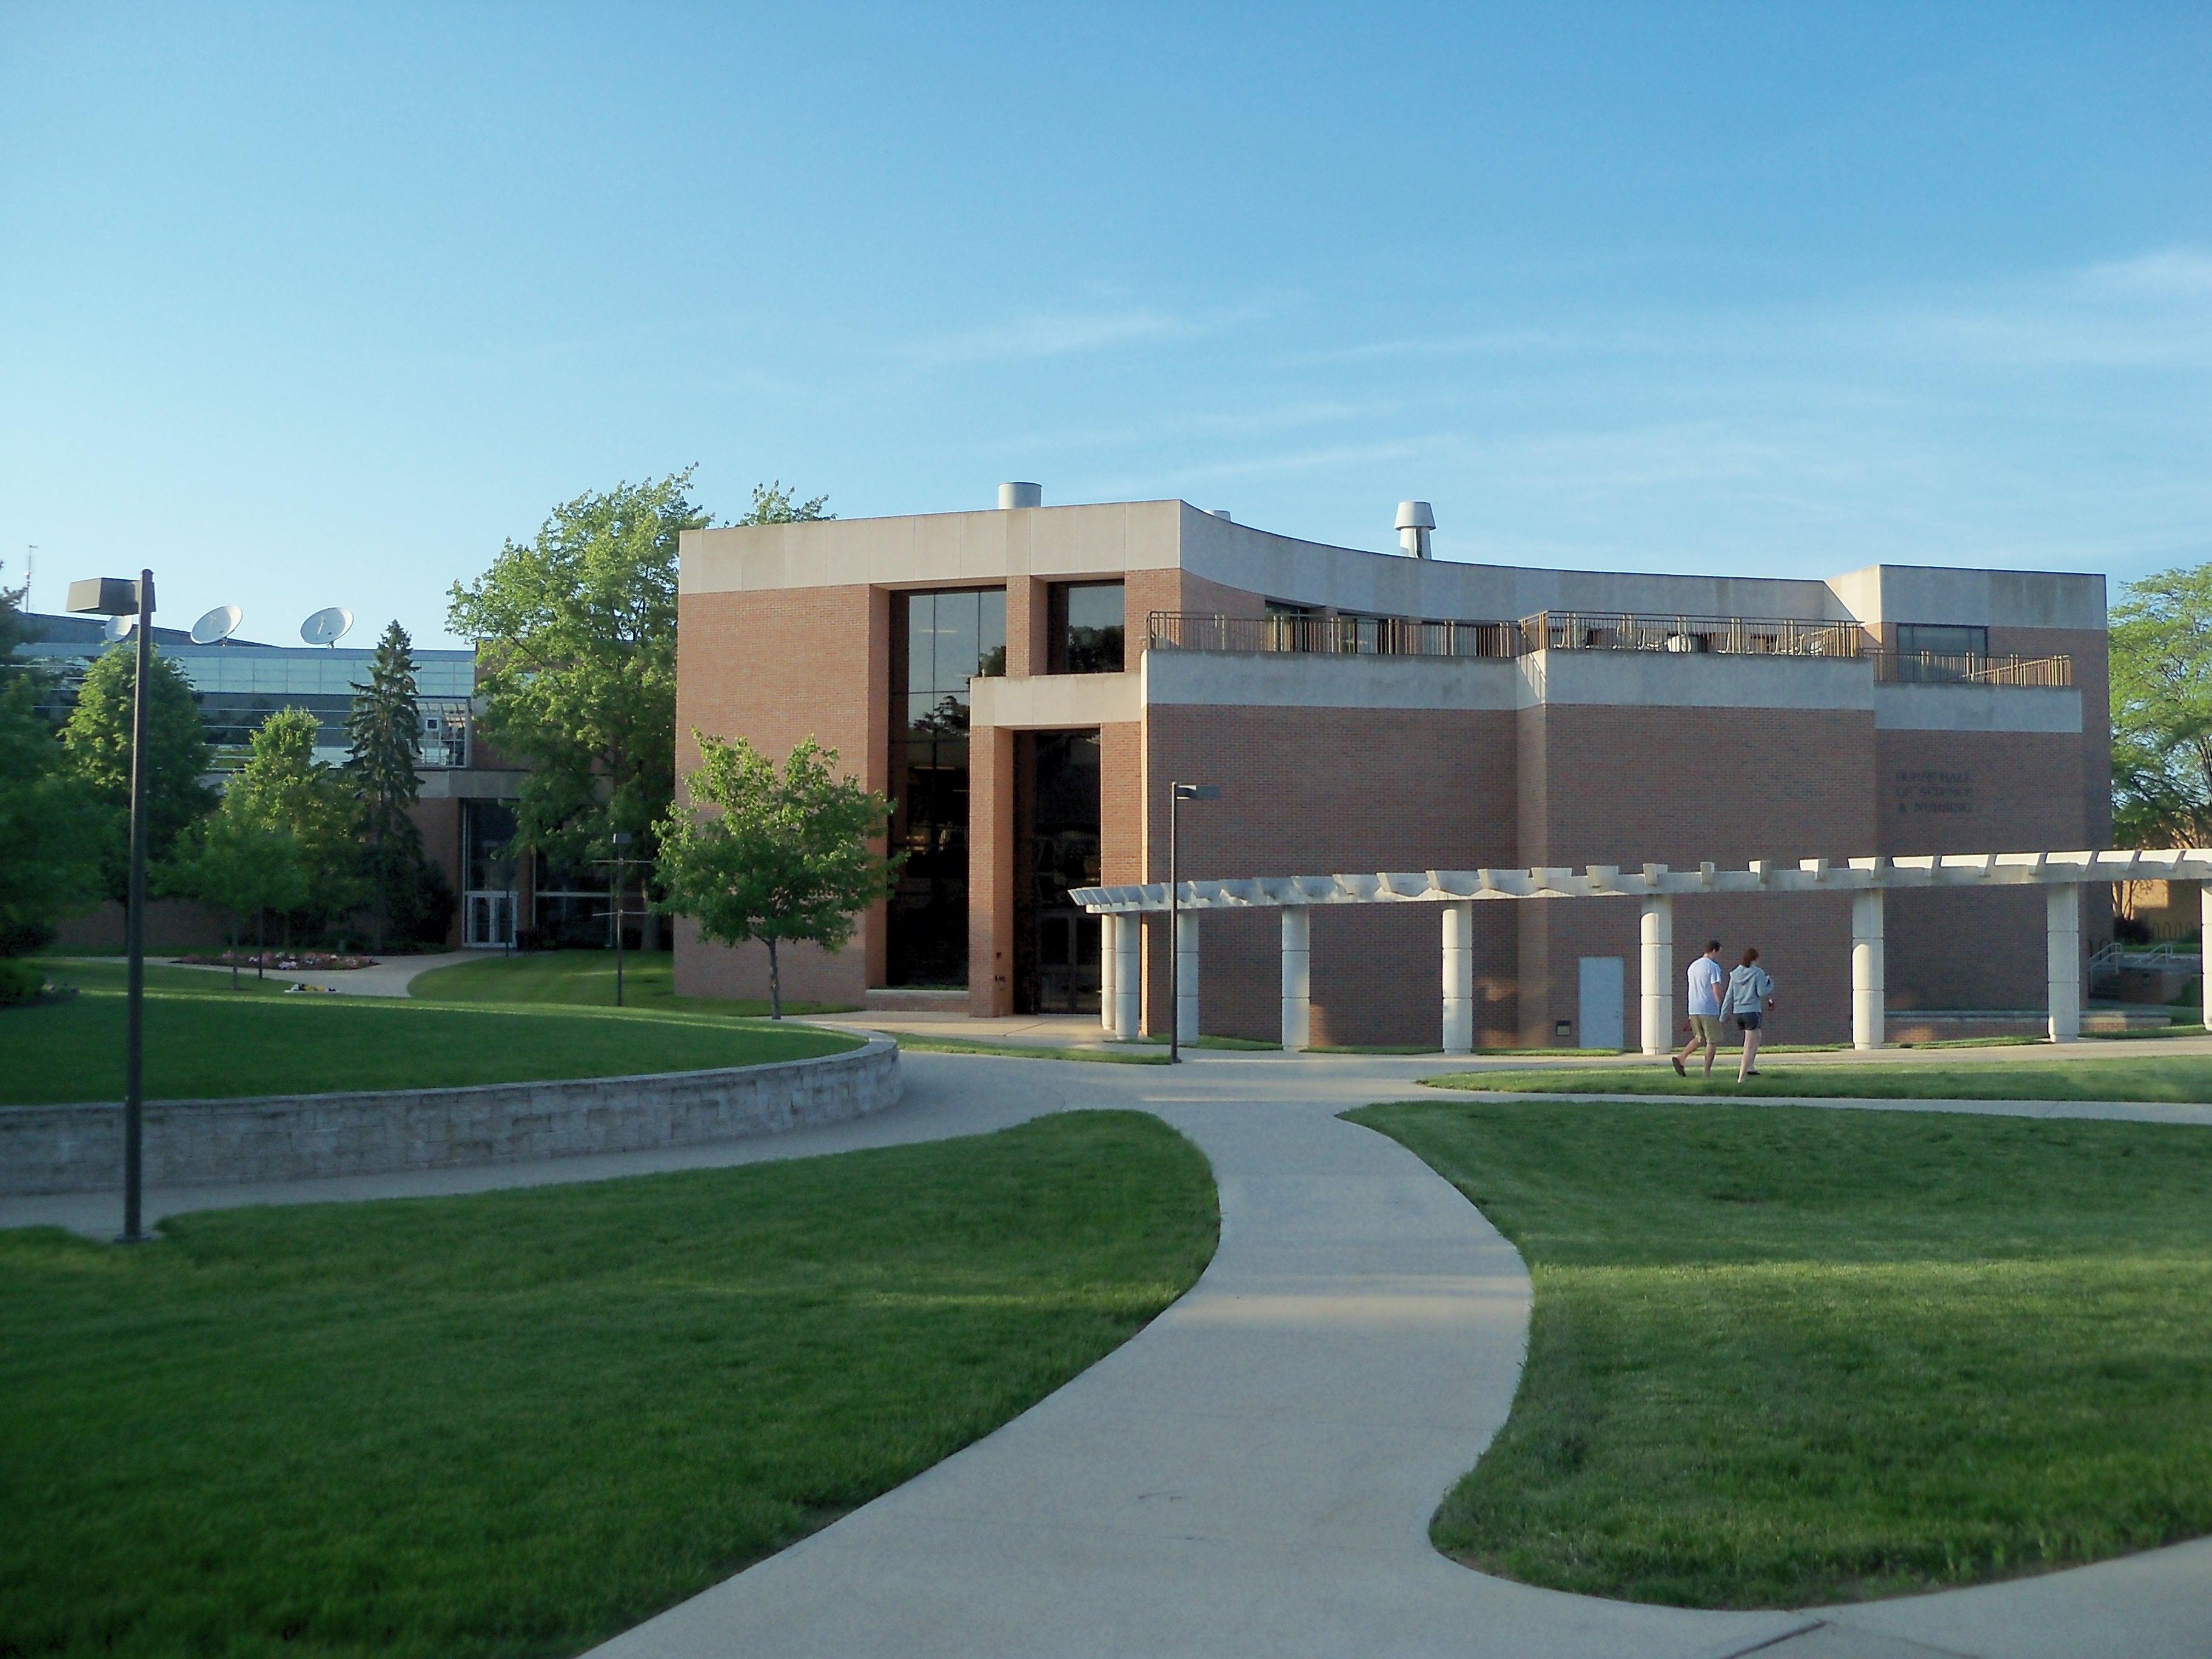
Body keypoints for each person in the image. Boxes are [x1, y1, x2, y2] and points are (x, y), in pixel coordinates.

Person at [1674, 940, 1726, 1078]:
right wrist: (1721, 1005)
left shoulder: (1692, 966)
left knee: (1699, 1038)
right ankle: (1707, 1073)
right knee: (1712, 1041)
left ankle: (1681, 1058)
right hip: (1709, 1008)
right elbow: (1716, 988)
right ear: (1714, 951)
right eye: (1719, 952)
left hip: (1694, 1008)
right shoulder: (1713, 967)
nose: (1719, 955)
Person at [1726, 947, 1777, 1082]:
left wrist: (1723, 1014)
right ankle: (1741, 1078)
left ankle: (1751, 1066)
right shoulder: (1758, 973)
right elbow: (1761, 993)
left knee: (1757, 1036)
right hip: (1752, 1011)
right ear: (1755, 959)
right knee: (1749, 1046)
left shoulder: (1735, 974)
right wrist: (1769, 984)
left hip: (1738, 1012)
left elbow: (1729, 995)